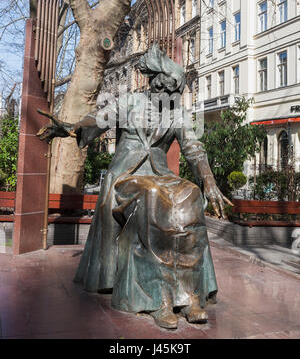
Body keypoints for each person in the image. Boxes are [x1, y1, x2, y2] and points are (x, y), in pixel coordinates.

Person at [37, 43, 231, 329]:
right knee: (152, 197)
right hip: (126, 175)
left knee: (190, 193)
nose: (164, 95)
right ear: (154, 83)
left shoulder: (177, 113)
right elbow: (98, 119)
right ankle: (158, 297)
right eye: (161, 88)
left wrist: (209, 182)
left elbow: (194, 147)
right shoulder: (130, 102)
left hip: (160, 175)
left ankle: (190, 293)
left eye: (171, 92)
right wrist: (70, 127)